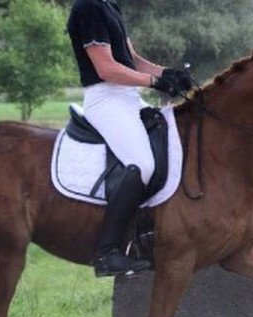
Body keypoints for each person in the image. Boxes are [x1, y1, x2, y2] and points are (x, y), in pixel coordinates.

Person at [66, 0, 192, 277]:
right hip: (105, 99)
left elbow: (132, 60)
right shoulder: (88, 7)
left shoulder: (109, 5)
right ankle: (107, 253)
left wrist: (167, 73)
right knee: (142, 164)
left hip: (128, 97)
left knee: (171, 148)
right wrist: (153, 82)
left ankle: (150, 232)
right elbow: (106, 68)